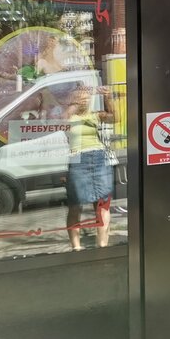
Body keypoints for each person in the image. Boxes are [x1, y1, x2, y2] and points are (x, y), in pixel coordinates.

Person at [64, 83, 115, 250]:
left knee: (102, 204)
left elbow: (115, 118)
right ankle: (76, 247)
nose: (84, 100)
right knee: (75, 205)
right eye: (80, 96)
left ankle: (102, 245)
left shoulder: (94, 115)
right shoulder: (69, 116)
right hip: (77, 158)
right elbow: (61, 122)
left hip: (98, 156)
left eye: (86, 97)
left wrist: (108, 98)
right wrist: (74, 105)